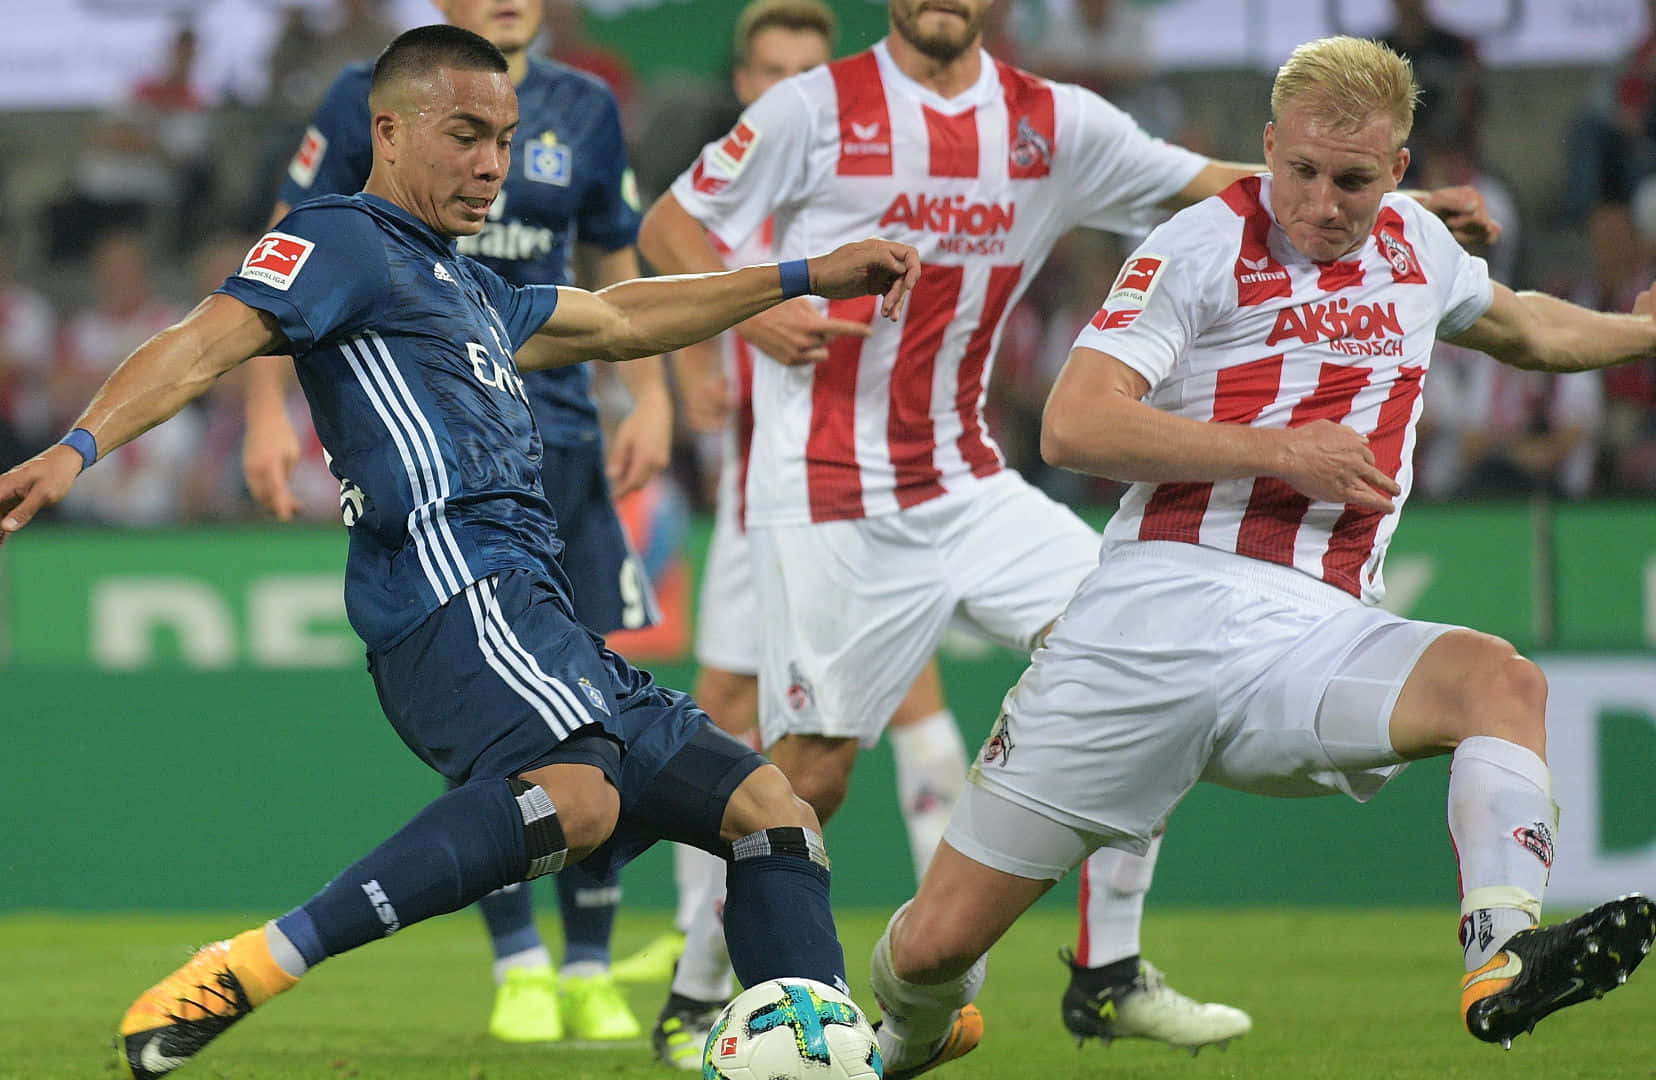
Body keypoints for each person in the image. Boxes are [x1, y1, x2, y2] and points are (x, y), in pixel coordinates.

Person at [0, 26, 919, 1080]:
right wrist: (76, 449)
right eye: (465, 135)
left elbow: (621, 319)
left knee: (774, 814)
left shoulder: (469, 286)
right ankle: (257, 963)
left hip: (537, 606)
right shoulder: (340, 240)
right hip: (450, 591)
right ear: (390, 131)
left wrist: (804, 274)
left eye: (503, 139)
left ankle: (819, 1052)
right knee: (581, 798)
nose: (492, 164)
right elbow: (201, 342)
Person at [641, 0, 1500, 1055]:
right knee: (811, 775)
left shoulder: (1052, 121)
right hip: (830, 487)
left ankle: (1107, 973)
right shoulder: (815, 106)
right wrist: (755, 306)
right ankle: (696, 995)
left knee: (1145, 644)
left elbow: (1213, 178)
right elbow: (670, 225)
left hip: (968, 479)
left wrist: (1386, 195)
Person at [866, 36, 1656, 1078]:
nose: (1322, 204)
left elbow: (1530, 331)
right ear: (1270, 145)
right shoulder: (1198, 244)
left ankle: (1501, 960)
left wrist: (1640, 334)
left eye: (1354, 182)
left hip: (1311, 636)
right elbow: (1073, 423)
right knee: (933, 948)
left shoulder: (1420, 248)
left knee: (1500, 683)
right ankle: (907, 1037)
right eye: (1303, 172)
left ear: (1399, 169)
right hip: (1143, 630)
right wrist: (1278, 451)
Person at [240, 0, 676, 1045]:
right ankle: (519, 963)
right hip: (442, 442)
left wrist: (651, 398)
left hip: (562, 434)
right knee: (501, 708)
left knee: (593, 700)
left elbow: (614, 264)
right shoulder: (372, 99)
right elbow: (279, 262)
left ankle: (588, 965)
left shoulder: (587, 106)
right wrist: (265, 413)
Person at [638, 2, 967, 1068]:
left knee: (895, 716)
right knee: (738, 740)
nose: (790, 90)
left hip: (869, 498)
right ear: (743, 85)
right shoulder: (725, 215)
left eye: (807, 73)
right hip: (759, 509)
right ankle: (704, 977)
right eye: (771, 72)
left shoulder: (868, 202)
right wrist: (702, 364)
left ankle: (941, 976)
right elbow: (654, 280)